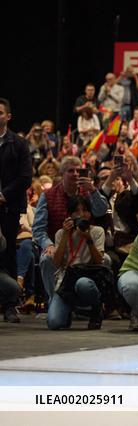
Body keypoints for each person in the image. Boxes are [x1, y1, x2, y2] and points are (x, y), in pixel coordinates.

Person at [47, 198, 112, 330]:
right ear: (69, 215)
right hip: (67, 279)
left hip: (88, 277)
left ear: (90, 213)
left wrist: (88, 239)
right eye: (76, 211)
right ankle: (68, 310)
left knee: (83, 283)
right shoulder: (61, 233)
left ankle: (96, 309)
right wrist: (65, 235)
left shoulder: (97, 231)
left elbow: (100, 261)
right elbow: (56, 263)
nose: (81, 214)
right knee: (54, 323)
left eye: (85, 210)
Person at [0, 98, 32, 322]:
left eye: (0, 113)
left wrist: (3, 195)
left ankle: (10, 305)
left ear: (8, 117)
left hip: (8, 207)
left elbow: (25, 178)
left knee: (9, 253)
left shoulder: (19, 144)